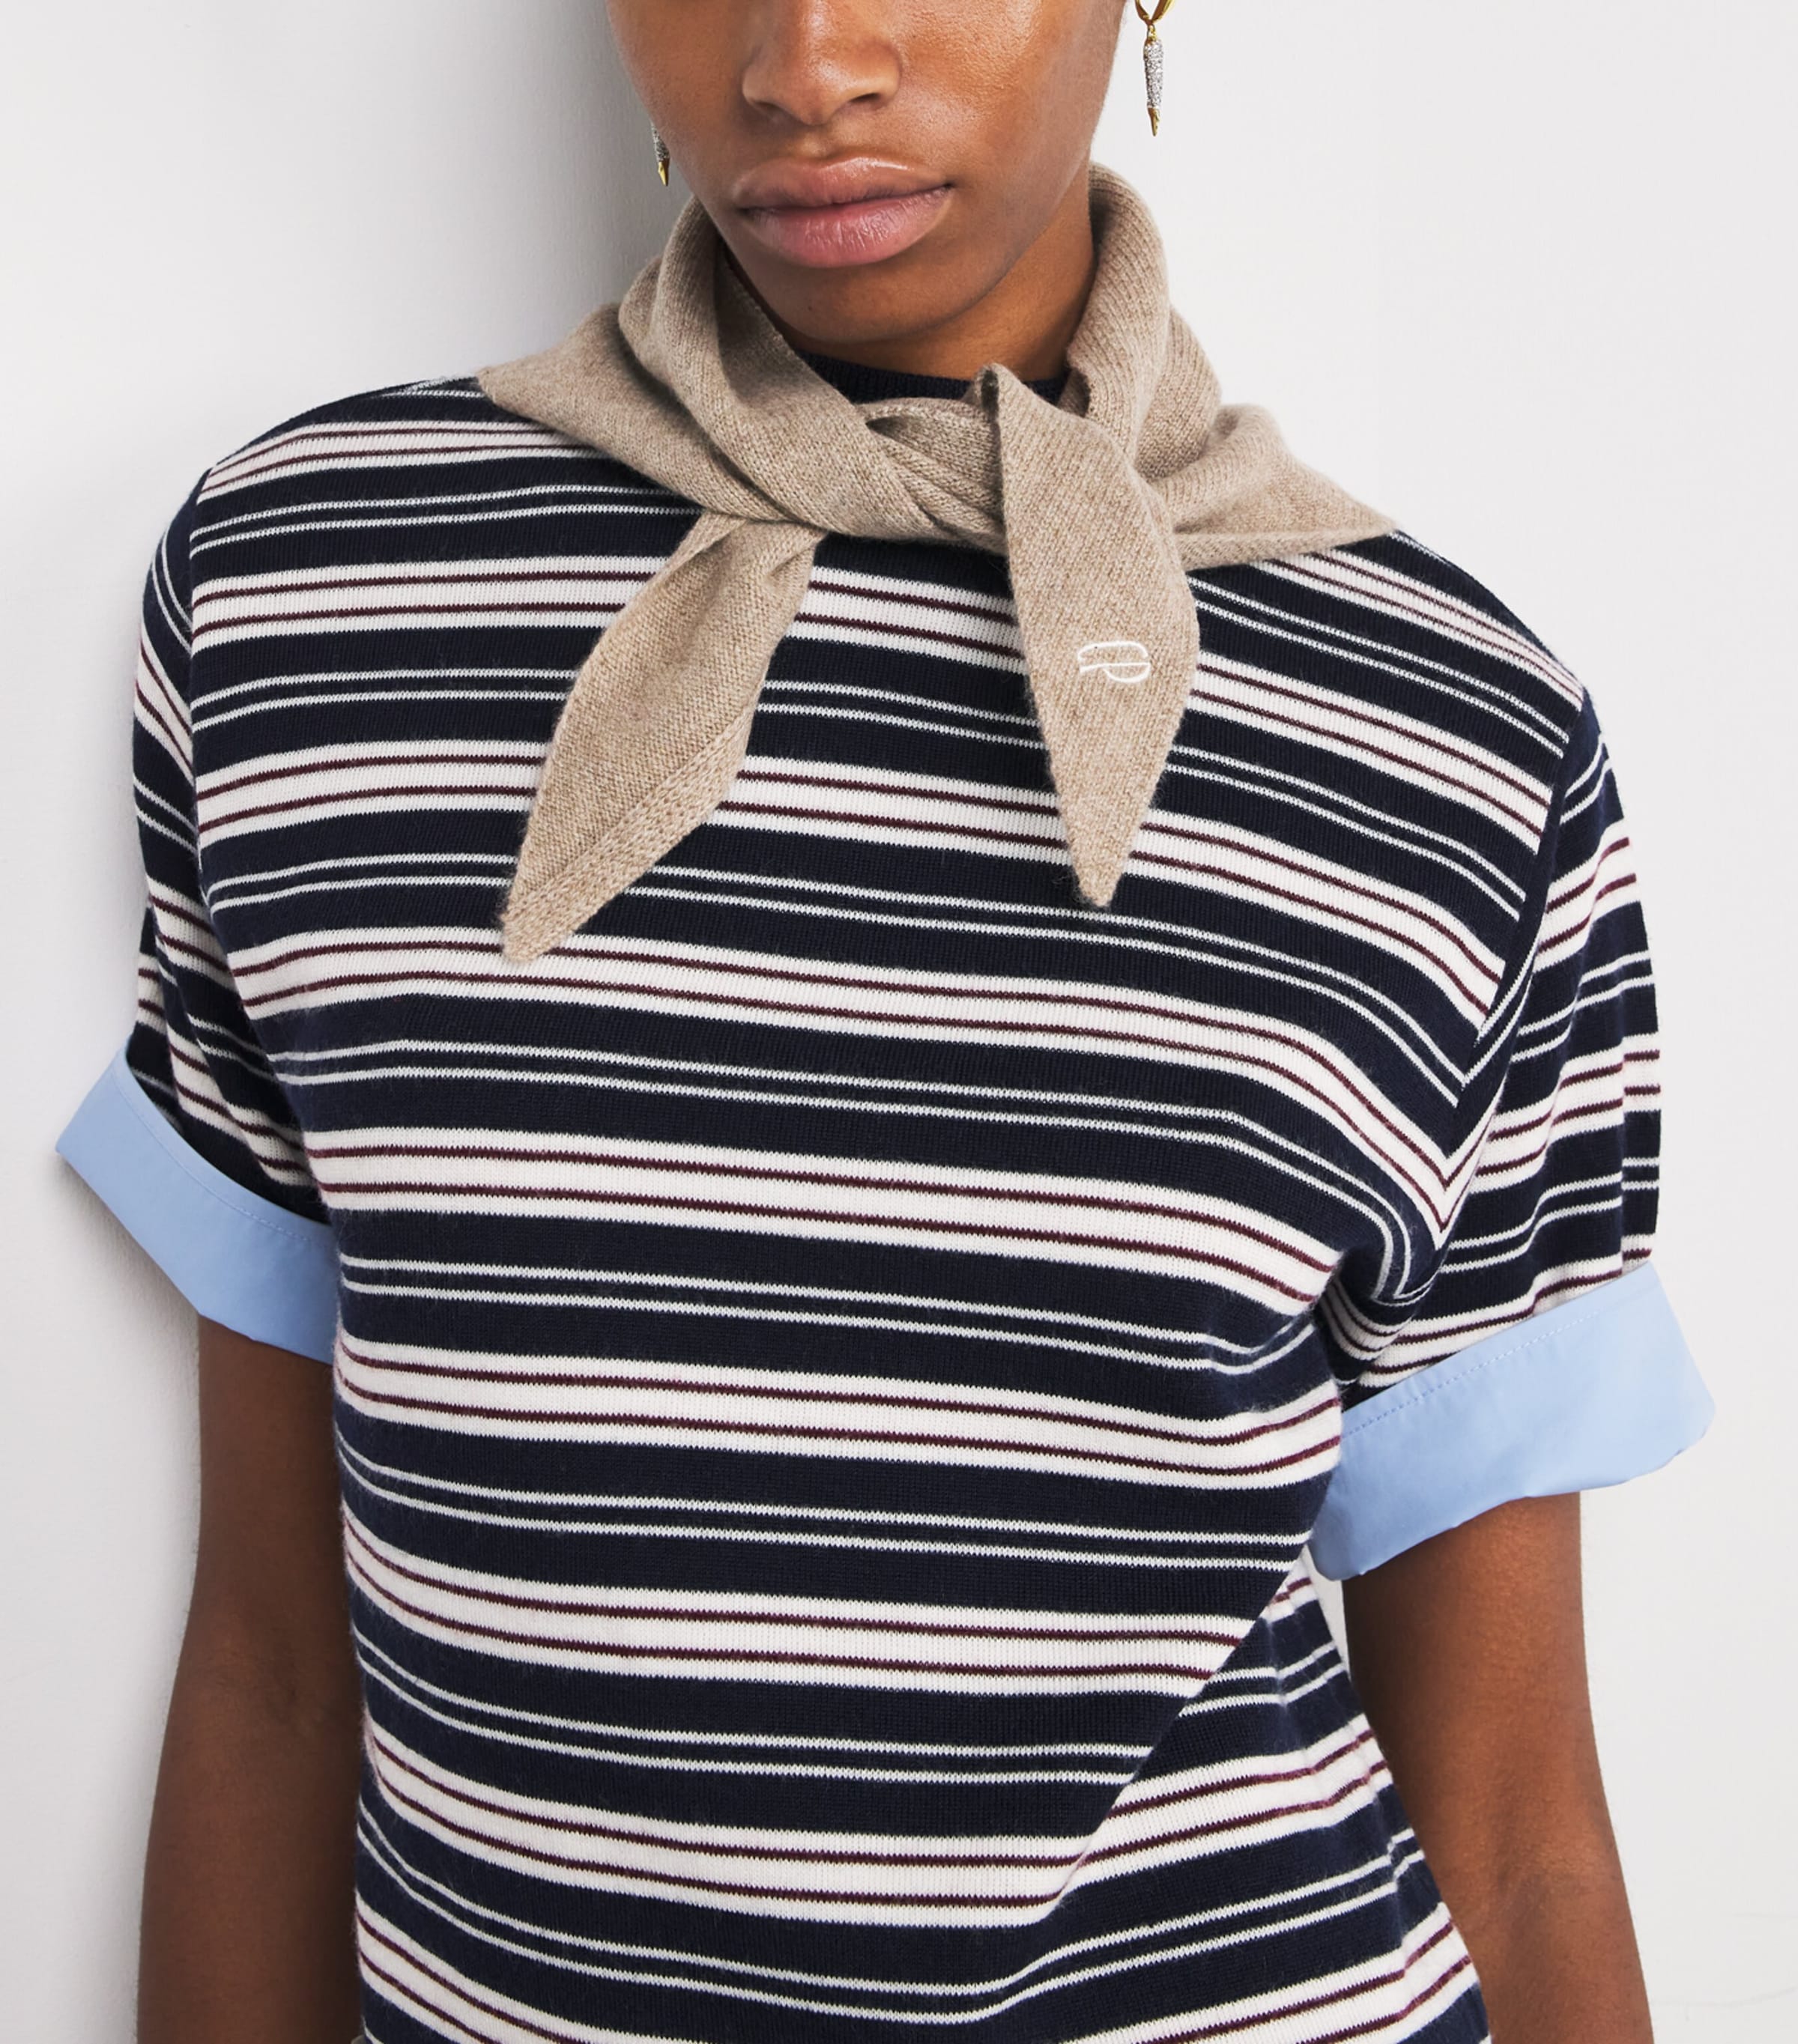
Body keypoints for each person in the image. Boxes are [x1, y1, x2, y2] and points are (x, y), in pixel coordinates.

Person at [57, 3, 1713, 2040]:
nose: (805, 59)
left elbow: (1519, 1826)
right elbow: (276, 1665)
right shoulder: (308, 600)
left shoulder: (1450, 741)